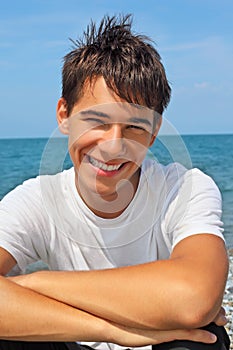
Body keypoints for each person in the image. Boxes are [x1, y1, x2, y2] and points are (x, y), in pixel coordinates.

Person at [0, 14, 230, 350]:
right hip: (72, 342)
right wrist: (112, 332)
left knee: (197, 339)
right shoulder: (35, 201)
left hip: (158, 346)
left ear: (154, 132)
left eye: (135, 127)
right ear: (64, 115)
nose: (113, 146)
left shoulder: (184, 188)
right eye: (97, 121)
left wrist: (33, 283)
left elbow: (194, 296)